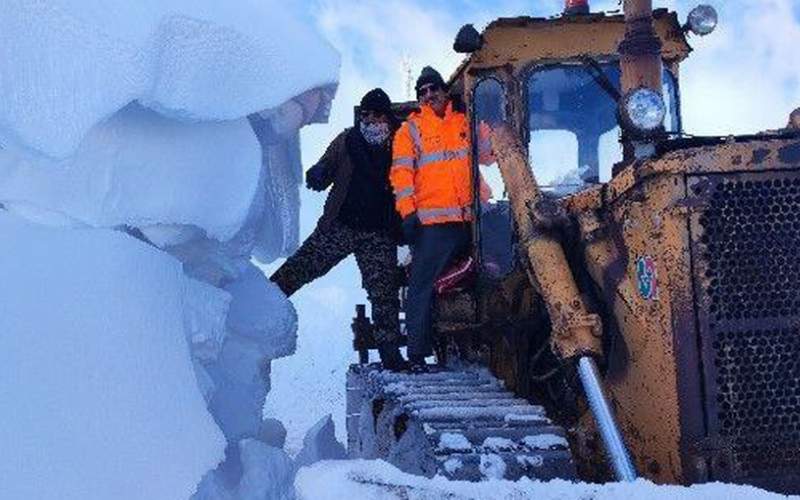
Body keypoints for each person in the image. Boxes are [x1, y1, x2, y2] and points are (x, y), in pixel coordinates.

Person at [270, 88, 406, 370]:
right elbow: (325, 167)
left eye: (377, 115)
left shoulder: (401, 143)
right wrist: (317, 175)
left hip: (378, 232)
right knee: (303, 266)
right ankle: (263, 302)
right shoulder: (347, 140)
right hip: (340, 225)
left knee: (384, 291)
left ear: (387, 118)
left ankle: (390, 351)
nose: (371, 121)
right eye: (366, 115)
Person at [390, 67, 474, 371]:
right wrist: (409, 214)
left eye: (433, 89)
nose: (428, 95)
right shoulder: (410, 131)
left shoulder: (466, 122)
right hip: (434, 225)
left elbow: (492, 153)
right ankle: (417, 352)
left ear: (444, 91)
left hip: (472, 220)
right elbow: (401, 175)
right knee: (421, 283)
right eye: (422, 92)